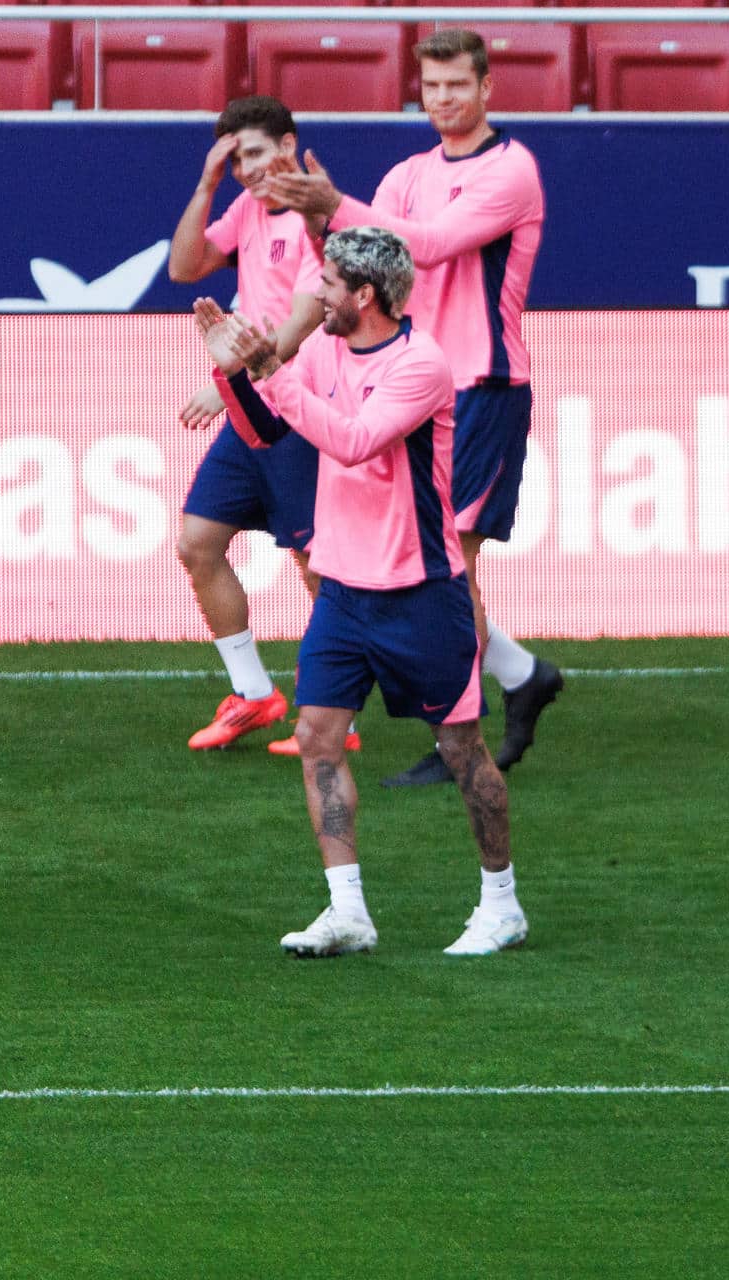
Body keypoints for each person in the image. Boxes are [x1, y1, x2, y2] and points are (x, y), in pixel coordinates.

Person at [196, 226, 527, 958]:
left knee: (462, 747)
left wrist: (266, 367)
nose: (316, 296)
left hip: (421, 593)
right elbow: (270, 432)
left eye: (329, 286)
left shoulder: (421, 366)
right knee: (317, 737)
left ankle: (501, 903)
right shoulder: (322, 351)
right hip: (343, 592)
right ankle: (348, 910)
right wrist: (233, 377)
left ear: (365, 295)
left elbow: (352, 439)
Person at [263, 28, 562, 788]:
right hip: (416, 391)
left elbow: (427, 246)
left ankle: (461, 732)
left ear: (487, 88)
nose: (443, 99)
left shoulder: (512, 170)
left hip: (485, 387)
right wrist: (321, 222)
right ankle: (522, 677)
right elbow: (369, 253)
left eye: (457, 85)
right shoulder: (404, 173)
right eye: (431, 87)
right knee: (440, 569)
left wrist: (338, 205)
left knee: (448, 566)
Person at [169, 95, 334, 754]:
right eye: (236, 160)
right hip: (253, 404)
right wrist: (207, 184)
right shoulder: (245, 208)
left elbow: (300, 322)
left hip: (300, 408)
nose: (247, 169)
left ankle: (327, 713)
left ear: (290, 145)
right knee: (197, 543)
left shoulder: (319, 220)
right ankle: (255, 694)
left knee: (317, 566)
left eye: (257, 153)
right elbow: (184, 267)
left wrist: (233, 378)